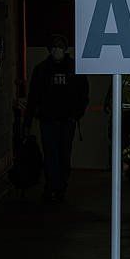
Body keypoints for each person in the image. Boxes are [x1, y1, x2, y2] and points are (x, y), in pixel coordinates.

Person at [23, 35, 89, 202]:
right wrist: (28, 121)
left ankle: (60, 187)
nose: (56, 50)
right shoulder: (42, 69)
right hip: (49, 120)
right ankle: (53, 186)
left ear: (65, 48)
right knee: (51, 154)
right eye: (53, 46)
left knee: (63, 155)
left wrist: (76, 114)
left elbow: (83, 94)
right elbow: (33, 97)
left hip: (66, 120)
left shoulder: (74, 68)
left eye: (59, 46)